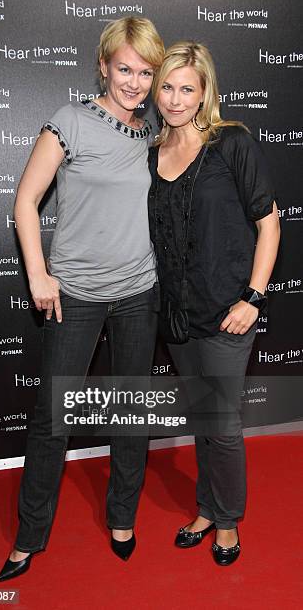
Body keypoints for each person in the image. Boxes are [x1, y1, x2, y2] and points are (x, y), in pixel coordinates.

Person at [0, 17, 164, 581]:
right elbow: (26, 201)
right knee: (51, 421)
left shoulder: (151, 133)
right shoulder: (69, 121)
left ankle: (122, 518)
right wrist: (39, 275)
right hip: (77, 294)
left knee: (131, 414)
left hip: (140, 290)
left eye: (146, 72)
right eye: (125, 69)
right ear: (103, 65)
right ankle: (28, 537)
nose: (135, 83)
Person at [148, 41, 280, 566]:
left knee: (222, 424)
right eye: (167, 87)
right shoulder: (152, 150)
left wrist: (254, 296)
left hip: (229, 310)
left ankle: (227, 522)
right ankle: (207, 507)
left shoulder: (231, 144)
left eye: (187, 88)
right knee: (203, 418)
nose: (176, 99)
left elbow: (269, 224)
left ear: (205, 92)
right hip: (178, 313)